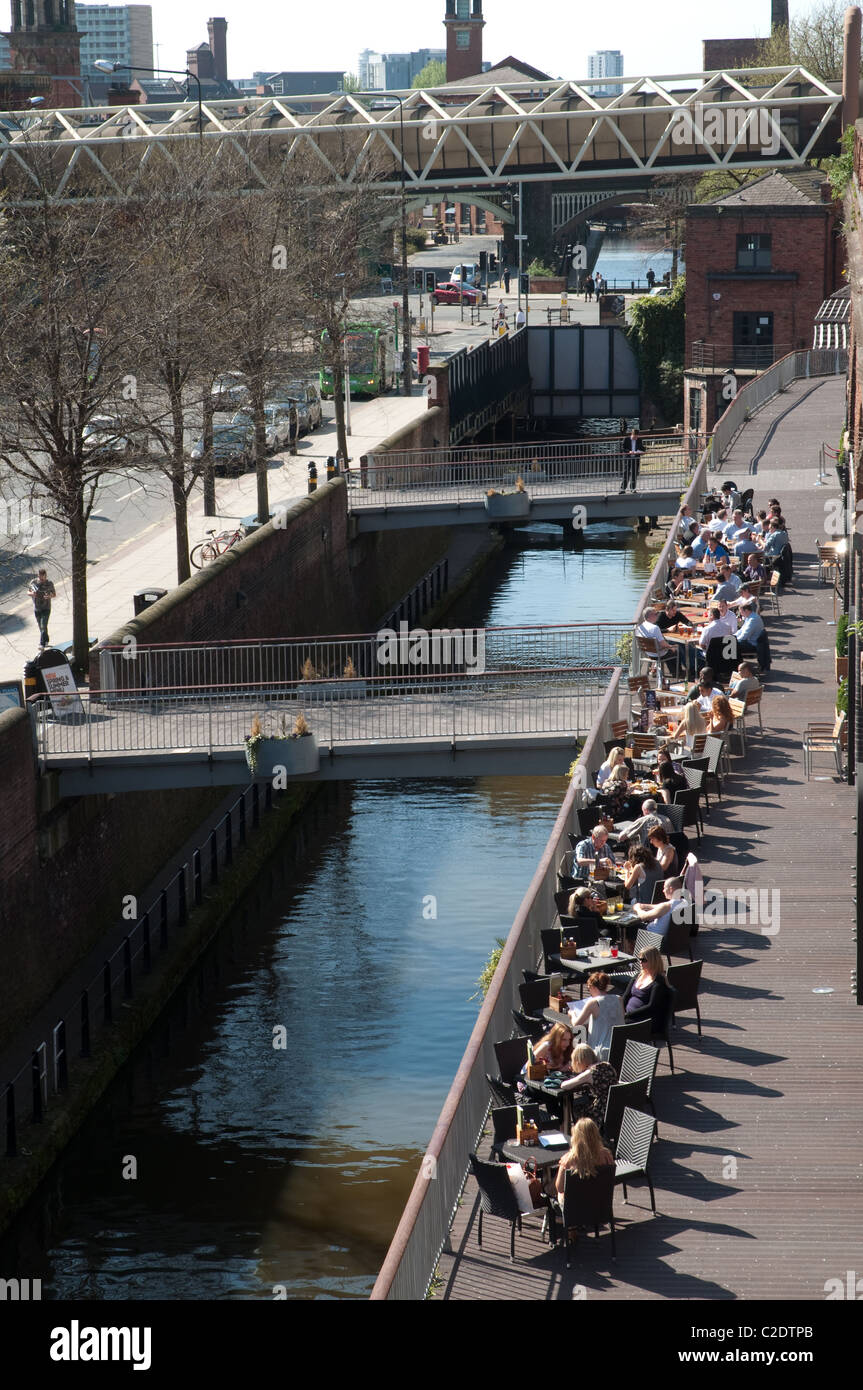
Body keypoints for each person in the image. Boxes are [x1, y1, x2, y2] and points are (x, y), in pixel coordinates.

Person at [553, 1117, 614, 1207]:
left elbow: (560, 1188)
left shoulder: (567, 1160)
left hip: (575, 1207)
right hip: (599, 1203)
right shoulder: (606, 1155)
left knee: (556, 1192)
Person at [569, 973, 624, 1061]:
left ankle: (577, 1062)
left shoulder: (593, 1003)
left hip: (600, 1052)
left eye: (588, 988)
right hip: (620, 1048)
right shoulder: (619, 999)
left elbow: (576, 1024)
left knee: (578, 1033)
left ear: (592, 987)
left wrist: (572, 1014)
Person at [559, 1044, 617, 1126]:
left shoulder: (589, 1073)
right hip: (615, 1105)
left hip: (601, 1111)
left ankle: (582, 1132)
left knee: (576, 1106)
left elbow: (564, 1086)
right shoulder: (606, 1065)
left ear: (579, 1062)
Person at [621, 946, 673, 1033]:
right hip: (628, 1015)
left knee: (612, 1025)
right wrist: (620, 1010)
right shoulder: (639, 975)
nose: (640, 962)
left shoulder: (659, 982)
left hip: (644, 1021)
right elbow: (626, 995)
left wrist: (628, 1015)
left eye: (644, 960)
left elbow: (651, 1006)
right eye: (640, 959)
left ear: (653, 961)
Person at [630, 875, 690, 940]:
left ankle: (630, 949)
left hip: (653, 937)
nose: (663, 891)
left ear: (670, 889)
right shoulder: (685, 903)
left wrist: (637, 908)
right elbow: (659, 906)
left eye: (664, 888)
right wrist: (644, 906)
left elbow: (643, 917)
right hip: (671, 939)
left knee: (629, 928)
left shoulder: (666, 906)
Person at [28, 569, 56, 648]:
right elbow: (28, 592)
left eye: (43, 577)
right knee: (41, 626)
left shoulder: (49, 583)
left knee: (43, 624)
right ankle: (46, 639)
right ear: (38, 576)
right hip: (37, 608)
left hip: (46, 607)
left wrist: (49, 596)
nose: (42, 579)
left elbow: (54, 594)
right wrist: (32, 594)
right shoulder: (33, 583)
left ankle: (42, 643)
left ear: (46, 576)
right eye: (41, 577)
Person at [621, 428, 643, 494]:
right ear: (632, 434)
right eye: (635, 437)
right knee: (626, 473)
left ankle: (633, 488)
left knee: (634, 474)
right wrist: (629, 451)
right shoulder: (626, 439)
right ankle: (622, 489)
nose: (636, 438)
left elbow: (642, 448)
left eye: (637, 437)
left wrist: (642, 451)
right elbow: (622, 448)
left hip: (635, 459)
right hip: (628, 459)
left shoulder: (639, 440)